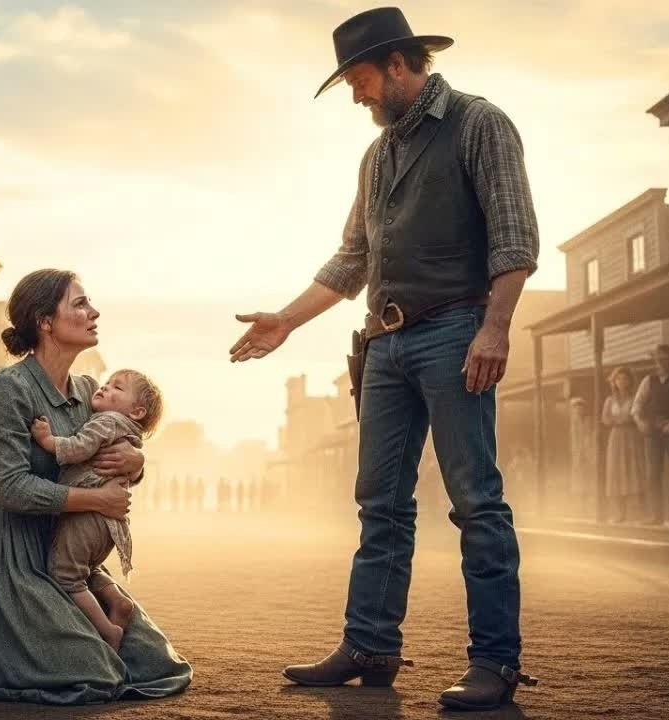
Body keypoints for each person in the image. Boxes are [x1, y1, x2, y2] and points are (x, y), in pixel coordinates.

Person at [231, 7, 540, 709]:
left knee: (477, 503)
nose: (356, 95)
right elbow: (352, 260)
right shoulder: (376, 156)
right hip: (384, 344)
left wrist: (495, 329)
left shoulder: (478, 122)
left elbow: (515, 238)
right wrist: (285, 319)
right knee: (380, 506)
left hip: (457, 330)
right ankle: (370, 643)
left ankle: (496, 660)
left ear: (399, 66)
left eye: (361, 80)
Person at [0, 269, 191, 704]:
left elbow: (113, 442)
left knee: (154, 660)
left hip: (63, 544)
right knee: (91, 670)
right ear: (45, 321)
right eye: (79, 304)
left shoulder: (88, 391)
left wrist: (137, 462)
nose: (93, 311)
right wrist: (96, 499)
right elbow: (10, 488)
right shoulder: (8, 388)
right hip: (7, 550)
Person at [31, 368, 164, 650]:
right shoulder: (128, 429)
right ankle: (118, 601)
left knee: (65, 575)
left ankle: (106, 630)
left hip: (85, 516)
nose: (104, 388)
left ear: (137, 411)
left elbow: (79, 448)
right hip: (109, 523)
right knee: (89, 568)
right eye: (107, 383)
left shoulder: (105, 421)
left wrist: (47, 441)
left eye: (117, 387)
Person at [632, 345, 669, 525]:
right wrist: (641, 423)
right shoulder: (649, 381)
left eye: (665, 359)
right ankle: (656, 515)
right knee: (653, 473)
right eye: (658, 359)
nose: (661, 363)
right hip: (653, 433)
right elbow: (636, 406)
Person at [602, 367, 644, 523]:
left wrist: (627, 420)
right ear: (614, 382)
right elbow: (605, 419)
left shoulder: (634, 399)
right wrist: (617, 421)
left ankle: (634, 511)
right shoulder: (609, 400)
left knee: (632, 468)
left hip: (631, 436)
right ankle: (618, 513)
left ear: (630, 381)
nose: (622, 382)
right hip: (616, 437)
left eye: (625, 379)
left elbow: (636, 416)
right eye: (618, 379)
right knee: (616, 471)